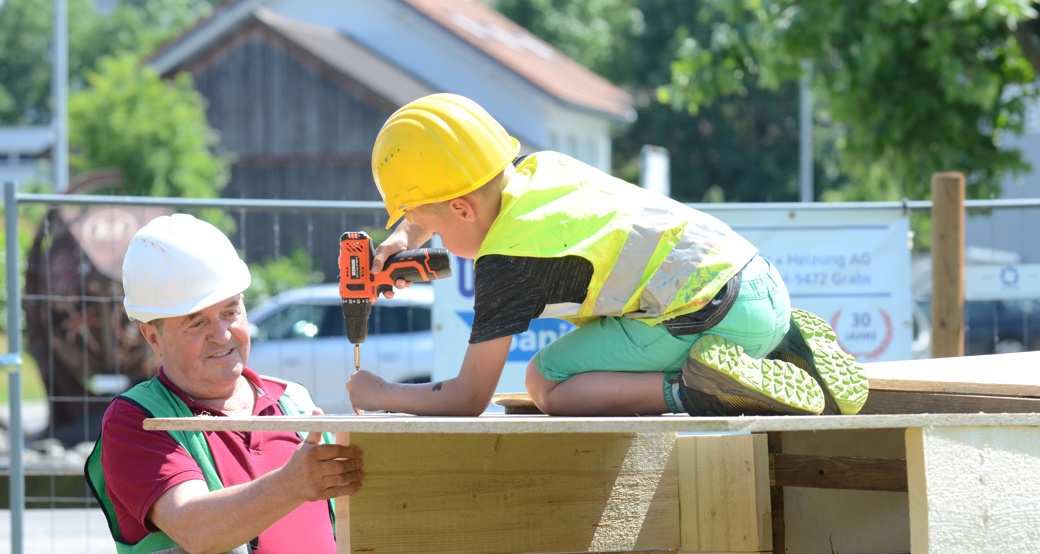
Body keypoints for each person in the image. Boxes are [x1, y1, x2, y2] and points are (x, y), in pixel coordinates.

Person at [348, 92, 869, 418]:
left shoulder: (507, 262)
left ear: (461, 209)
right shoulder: (542, 170)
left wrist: (380, 392)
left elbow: (467, 398)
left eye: (427, 225)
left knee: (548, 380)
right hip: (760, 285)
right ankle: (785, 349)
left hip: (710, 317)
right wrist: (406, 237)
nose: (428, 239)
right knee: (594, 343)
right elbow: (461, 196)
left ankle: (705, 392)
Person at [84, 214, 364, 554]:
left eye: (230, 311)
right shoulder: (139, 420)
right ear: (153, 337)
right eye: (196, 322)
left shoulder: (293, 402)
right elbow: (195, 528)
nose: (222, 334)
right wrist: (293, 483)